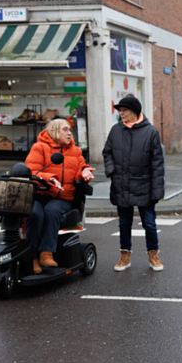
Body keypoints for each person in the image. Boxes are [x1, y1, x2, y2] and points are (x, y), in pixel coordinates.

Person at [103, 96, 165, 272]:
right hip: (121, 185)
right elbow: (107, 152)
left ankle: (153, 255)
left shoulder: (151, 132)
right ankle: (125, 256)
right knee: (124, 224)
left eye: (124, 110)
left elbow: (157, 165)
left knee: (149, 224)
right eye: (120, 111)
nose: (121, 113)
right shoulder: (115, 130)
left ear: (135, 112)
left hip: (144, 186)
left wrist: (157, 191)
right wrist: (111, 171)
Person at [24, 119, 95, 274]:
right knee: (34, 214)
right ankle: (32, 257)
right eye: (65, 130)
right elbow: (31, 171)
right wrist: (48, 178)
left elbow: (80, 168)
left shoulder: (76, 151)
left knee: (52, 211)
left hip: (62, 197)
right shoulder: (39, 147)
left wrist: (84, 172)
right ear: (53, 131)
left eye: (70, 130)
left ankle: (46, 253)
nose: (69, 133)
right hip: (39, 194)